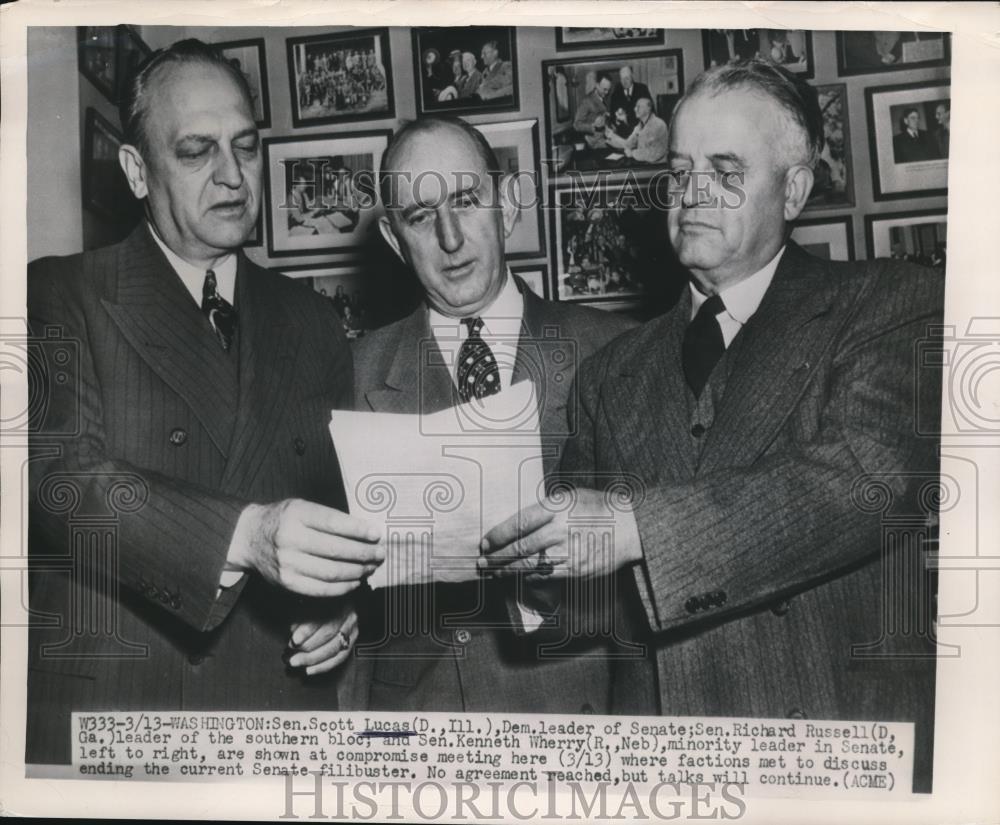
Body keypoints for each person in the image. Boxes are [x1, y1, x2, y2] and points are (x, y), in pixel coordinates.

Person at [482, 58, 942, 792]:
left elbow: (867, 479)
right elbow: (592, 607)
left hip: (833, 764)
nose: (692, 194)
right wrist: (537, 582)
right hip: (664, 778)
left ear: (794, 190)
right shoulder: (610, 372)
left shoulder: (893, 304)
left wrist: (634, 527)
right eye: (680, 169)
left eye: (726, 170)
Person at [25, 39, 383, 765]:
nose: (231, 176)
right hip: (123, 710)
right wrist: (246, 534)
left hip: (279, 712)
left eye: (245, 148)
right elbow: (60, 481)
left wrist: (342, 607)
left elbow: (344, 508)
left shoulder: (313, 320)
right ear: (135, 170)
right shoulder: (59, 293)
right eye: (196, 152)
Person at [328, 116, 650, 714]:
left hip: (577, 723)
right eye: (421, 217)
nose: (450, 238)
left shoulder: (618, 351)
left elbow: (661, 565)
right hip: (419, 741)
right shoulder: (348, 376)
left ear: (505, 208)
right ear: (396, 242)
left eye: (467, 201)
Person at [605, 96, 669, 164]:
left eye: (638, 107)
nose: (635, 109)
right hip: (645, 164)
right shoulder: (640, 126)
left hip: (657, 166)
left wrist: (633, 153)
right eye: (635, 106)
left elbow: (653, 153)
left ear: (648, 108)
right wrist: (611, 135)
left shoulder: (658, 125)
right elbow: (628, 144)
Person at [573, 73, 613, 149]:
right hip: (594, 144)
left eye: (608, 90)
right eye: (604, 89)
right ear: (597, 85)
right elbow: (576, 124)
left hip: (605, 140)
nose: (607, 92)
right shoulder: (587, 101)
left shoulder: (605, 98)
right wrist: (593, 126)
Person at [609, 66, 652, 130]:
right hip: (623, 135)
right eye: (622, 79)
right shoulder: (615, 94)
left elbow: (650, 111)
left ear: (632, 76)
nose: (624, 81)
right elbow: (612, 116)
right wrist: (616, 120)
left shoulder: (642, 89)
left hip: (641, 131)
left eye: (627, 78)